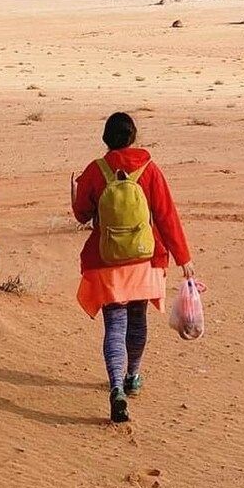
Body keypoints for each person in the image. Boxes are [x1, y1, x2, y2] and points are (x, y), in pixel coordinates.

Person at [71, 111, 194, 423]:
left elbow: (81, 215)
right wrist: (184, 260)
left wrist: (76, 192)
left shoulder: (95, 171)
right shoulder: (150, 170)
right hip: (145, 259)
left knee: (115, 324)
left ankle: (116, 387)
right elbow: (166, 216)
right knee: (137, 321)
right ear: (134, 137)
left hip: (107, 261)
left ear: (106, 139)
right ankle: (133, 376)